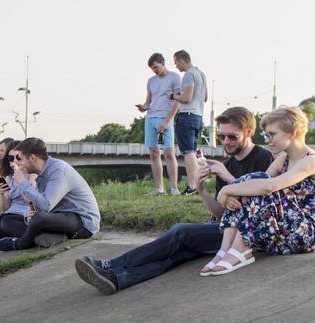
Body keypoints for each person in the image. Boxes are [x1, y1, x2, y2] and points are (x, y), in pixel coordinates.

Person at [74, 106, 274, 294]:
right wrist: (202, 189)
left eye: (232, 136)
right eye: (222, 136)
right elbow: (222, 214)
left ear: (249, 133)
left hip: (246, 233)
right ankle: (117, 278)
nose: (226, 141)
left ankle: (112, 264)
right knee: (181, 253)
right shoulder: (227, 163)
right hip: (226, 228)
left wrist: (229, 180)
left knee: (181, 232)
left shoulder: (264, 159)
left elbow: (262, 201)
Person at [203, 106, 315, 275]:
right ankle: (225, 249)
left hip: (307, 235)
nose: (268, 140)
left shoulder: (312, 161)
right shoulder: (283, 160)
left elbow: (269, 186)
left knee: (263, 184)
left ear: (292, 133)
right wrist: (232, 193)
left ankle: (240, 249)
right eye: (266, 135)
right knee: (252, 180)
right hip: (282, 232)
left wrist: (227, 189)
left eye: (272, 134)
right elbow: (252, 183)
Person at [0, 138, 100, 251]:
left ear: (32, 158)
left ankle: (20, 243)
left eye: (20, 158)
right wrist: (30, 214)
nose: (18, 162)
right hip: (59, 216)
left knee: (39, 218)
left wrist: (23, 182)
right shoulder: (40, 173)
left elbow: (46, 205)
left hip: (82, 222)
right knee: (7, 222)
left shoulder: (58, 170)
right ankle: (49, 236)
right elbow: (41, 205)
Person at [137, 53, 182, 195]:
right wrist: (143, 107)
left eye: (156, 67)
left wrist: (167, 121)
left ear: (162, 63)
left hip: (164, 120)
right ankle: (159, 188)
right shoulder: (151, 81)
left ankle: (174, 187)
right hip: (151, 119)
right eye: (152, 69)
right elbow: (148, 101)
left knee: (168, 152)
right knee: (154, 152)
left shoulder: (175, 78)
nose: (155, 70)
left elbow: (177, 101)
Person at [171, 50, 208, 194]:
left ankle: (193, 186)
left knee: (188, 152)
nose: (176, 67)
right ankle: (198, 185)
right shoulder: (201, 74)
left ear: (181, 61)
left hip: (187, 115)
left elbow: (186, 98)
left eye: (176, 64)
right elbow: (204, 97)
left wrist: (173, 95)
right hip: (198, 116)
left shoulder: (188, 74)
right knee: (192, 150)